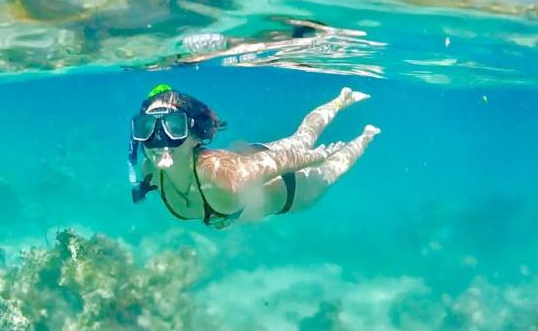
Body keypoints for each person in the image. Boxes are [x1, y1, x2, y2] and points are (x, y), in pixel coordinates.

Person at [128, 83, 379, 228]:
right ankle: (341, 101)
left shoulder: (224, 178)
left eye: (173, 127)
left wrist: (319, 156)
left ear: (196, 134)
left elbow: (287, 161)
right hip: (257, 159)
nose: (159, 140)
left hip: (294, 191)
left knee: (325, 162)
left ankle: (365, 132)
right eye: (146, 128)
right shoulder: (152, 171)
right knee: (301, 137)